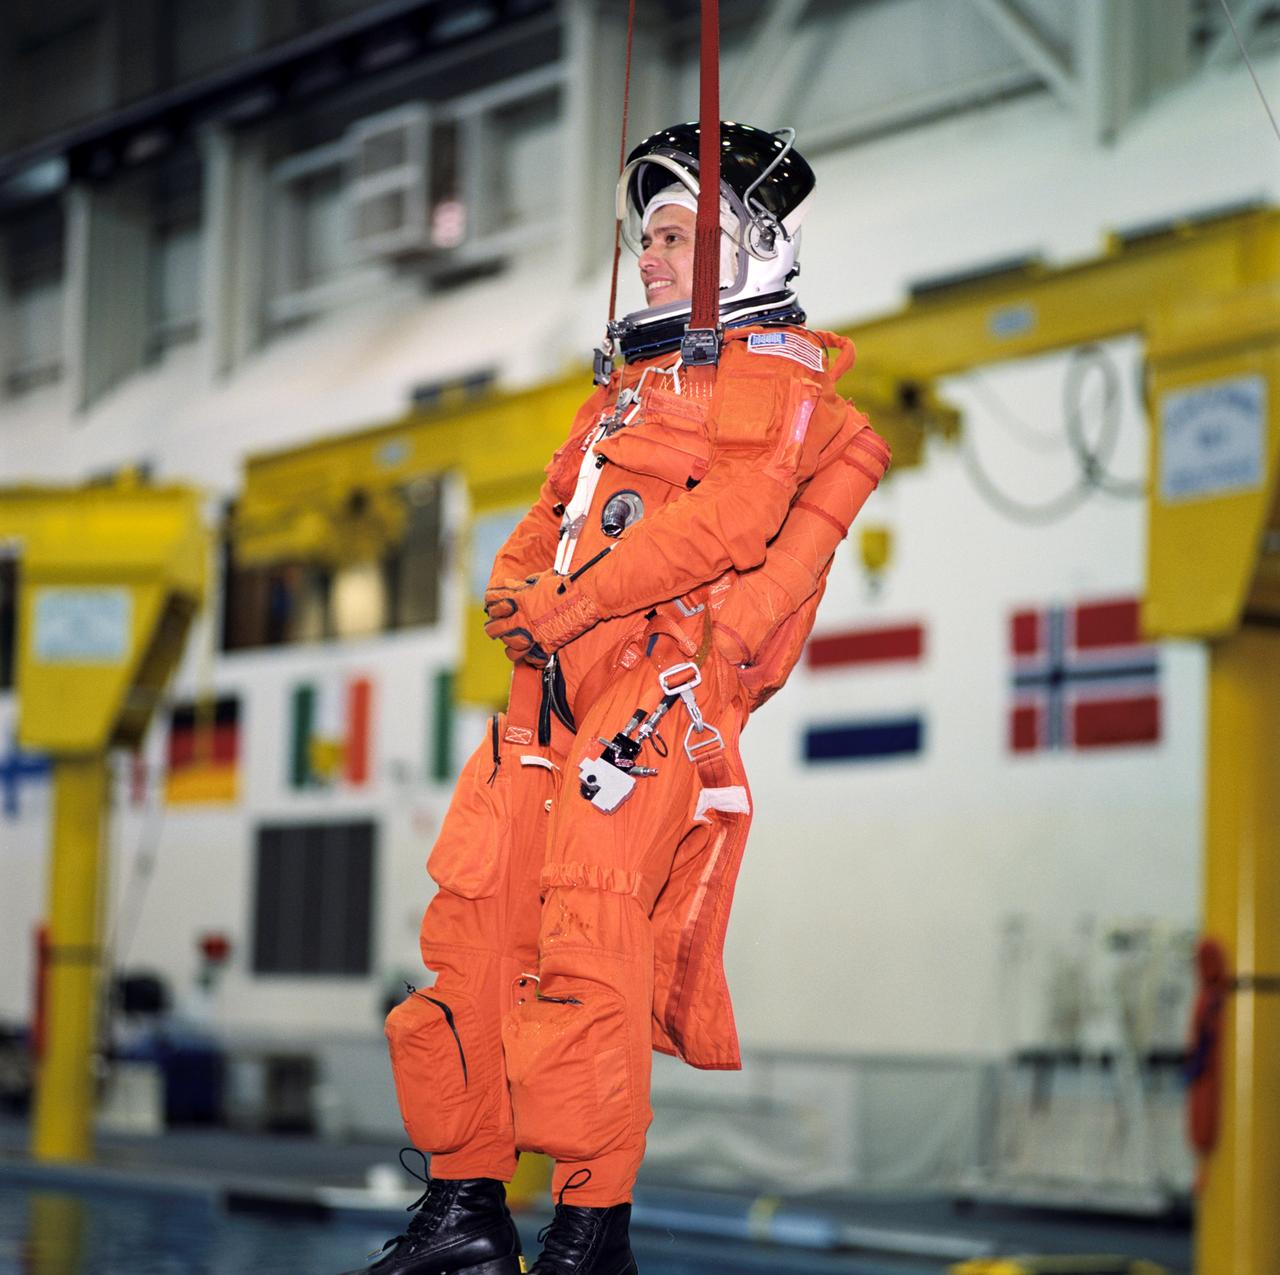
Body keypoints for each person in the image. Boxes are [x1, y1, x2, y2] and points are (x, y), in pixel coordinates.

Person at [343, 121, 890, 1275]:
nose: (648, 258)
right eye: (645, 238)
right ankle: (465, 1211)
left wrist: (572, 602)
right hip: (542, 705)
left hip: (651, 707)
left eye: (676, 236)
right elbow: (546, 512)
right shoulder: (620, 400)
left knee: (589, 952)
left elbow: (730, 524)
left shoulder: (782, 394)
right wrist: (516, 591)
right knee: (471, 936)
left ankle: (591, 1232)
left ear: (745, 251)